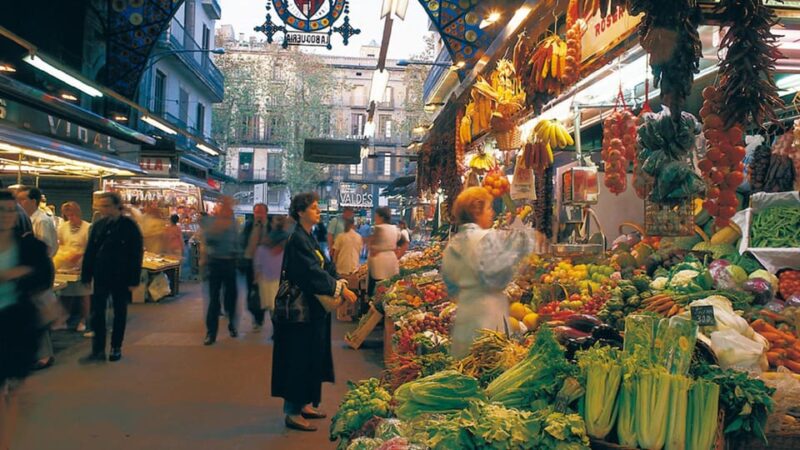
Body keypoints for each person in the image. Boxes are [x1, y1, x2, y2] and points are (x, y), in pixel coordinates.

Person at [272, 192, 357, 432]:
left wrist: (338, 278)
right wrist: (339, 288)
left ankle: (305, 404)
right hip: (300, 314)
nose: (318, 211)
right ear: (300, 212)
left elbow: (325, 265)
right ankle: (292, 412)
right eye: (313, 207)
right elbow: (310, 272)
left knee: (310, 357)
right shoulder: (297, 239)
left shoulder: (308, 236)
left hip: (312, 312)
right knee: (298, 359)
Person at [441, 187, 534, 359]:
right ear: (476, 210)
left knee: (464, 366)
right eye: (489, 208)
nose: (492, 213)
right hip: (489, 317)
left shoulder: (452, 245)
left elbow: (451, 288)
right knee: (490, 366)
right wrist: (518, 226)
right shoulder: (486, 238)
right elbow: (502, 275)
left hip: (464, 318)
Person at [0, 189, 54, 450]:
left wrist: (22, 274)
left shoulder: (28, 246)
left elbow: (43, 277)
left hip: (15, 322)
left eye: (11, 210)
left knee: (13, 389)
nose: (6, 216)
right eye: (1, 211)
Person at [80, 192, 144, 362]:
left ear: (117, 206)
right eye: (101, 206)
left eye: (106, 206)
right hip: (100, 274)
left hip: (121, 276)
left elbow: (136, 253)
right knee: (97, 313)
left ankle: (116, 347)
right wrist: (86, 275)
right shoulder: (98, 226)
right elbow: (90, 251)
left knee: (119, 311)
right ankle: (98, 350)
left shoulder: (129, 226)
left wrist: (134, 278)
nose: (103, 209)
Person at [15, 186, 58, 370]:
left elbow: (45, 249)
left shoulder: (40, 220)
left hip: (36, 268)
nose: (19, 202)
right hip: (30, 267)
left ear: (33, 201)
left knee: (37, 307)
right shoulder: (26, 216)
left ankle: (44, 354)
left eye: (22, 199)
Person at [199, 196, 239, 345]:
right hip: (215, 262)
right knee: (213, 299)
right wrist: (220, 224)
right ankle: (211, 333)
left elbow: (237, 243)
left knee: (231, 297)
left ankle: (232, 324)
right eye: (225, 206)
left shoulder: (234, 223)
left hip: (230, 262)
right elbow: (208, 239)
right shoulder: (212, 221)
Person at [54, 202, 92, 335]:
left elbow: (91, 247)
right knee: (65, 294)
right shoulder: (62, 227)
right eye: (68, 215)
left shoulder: (88, 228)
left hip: (83, 264)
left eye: (73, 215)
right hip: (66, 265)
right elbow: (60, 244)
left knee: (83, 295)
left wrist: (80, 255)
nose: (71, 218)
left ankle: (84, 320)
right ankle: (63, 319)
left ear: (78, 213)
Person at [250, 215, 291, 319]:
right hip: (281, 279)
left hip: (266, 278)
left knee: (271, 306)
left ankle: (272, 323)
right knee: (280, 306)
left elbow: (258, 262)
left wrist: (256, 276)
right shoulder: (289, 242)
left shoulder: (264, 243)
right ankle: (278, 325)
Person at [241, 203, 269, 330]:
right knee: (251, 291)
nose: (258, 215)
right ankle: (255, 314)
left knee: (262, 292)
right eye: (256, 212)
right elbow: (243, 242)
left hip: (266, 265)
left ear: (266, 213)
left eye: (261, 212)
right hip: (251, 264)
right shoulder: (248, 225)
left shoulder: (271, 226)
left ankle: (259, 318)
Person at [367, 207, 405, 297]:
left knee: (377, 287)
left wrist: (372, 249)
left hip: (379, 262)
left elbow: (372, 244)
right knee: (390, 287)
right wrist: (398, 254)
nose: (375, 219)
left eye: (376, 216)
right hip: (392, 260)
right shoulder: (395, 228)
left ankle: (374, 302)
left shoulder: (379, 228)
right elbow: (404, 242)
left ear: (381, 217)